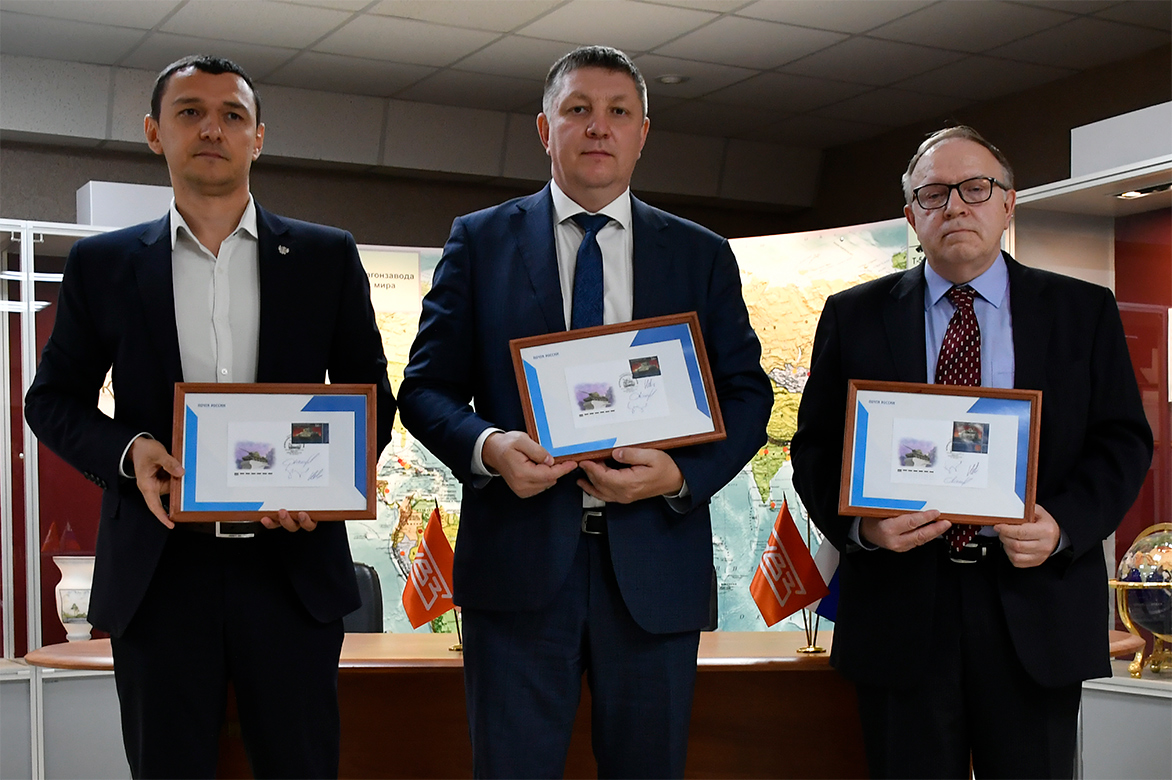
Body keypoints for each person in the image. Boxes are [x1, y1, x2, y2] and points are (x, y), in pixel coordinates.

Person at [397, 45, 772, 778]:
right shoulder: (480, 241)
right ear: (546, 129)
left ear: (642, 133)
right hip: (519, 570)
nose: (599, 126)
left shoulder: (698, 254)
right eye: (578, 110)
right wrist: (490, 447)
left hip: (655, 570)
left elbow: (749, 395)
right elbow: (424, 389)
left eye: (618, 112)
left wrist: (679, 476)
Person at [24, 55, 395, 779]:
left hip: (291, 568)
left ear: (258, 137)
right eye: (190, 112)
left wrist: (323, 489)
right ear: (154, 133)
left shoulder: (325, 256)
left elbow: (369, 396)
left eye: (232, 115)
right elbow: (52, 400)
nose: (212, 129)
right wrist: (130, 452)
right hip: (161, 571)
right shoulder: (103, 264)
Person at [790, 125, 1153, 779]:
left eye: (975, 189)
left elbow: (1123, 441)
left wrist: (1063, 526)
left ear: (1008, 204)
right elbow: (815, 447)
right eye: (933, 194)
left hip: (1034, 607)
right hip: (901, 610)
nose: (955, 206)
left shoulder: (1081, 310)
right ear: (912, 217)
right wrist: (863, 528)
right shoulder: (854, 315)